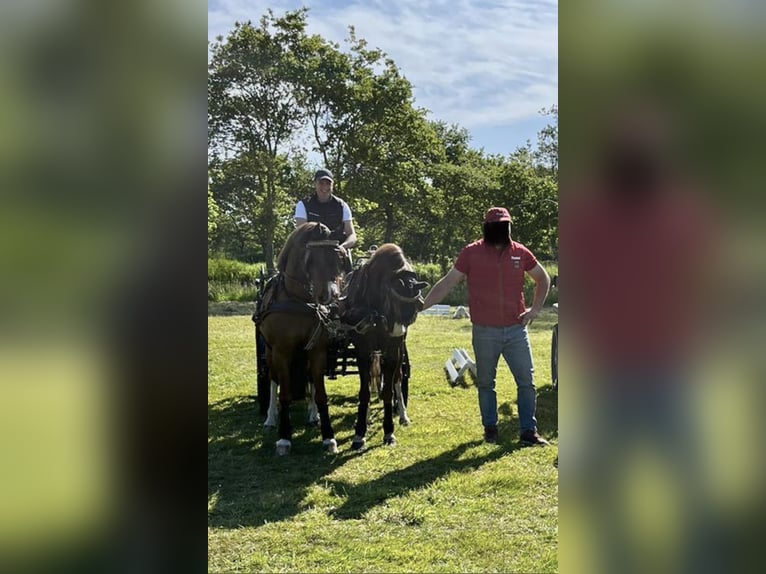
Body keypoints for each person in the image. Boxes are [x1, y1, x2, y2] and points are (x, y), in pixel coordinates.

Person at [422, 207, 551, 445]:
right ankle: (490, 429)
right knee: (486, 383)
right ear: (487, 228)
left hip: (516, 330)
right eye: (495, 225)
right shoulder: (471, 253)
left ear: (509, 227)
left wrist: (535, 310)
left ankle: (528, 432)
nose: (500, 229)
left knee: (526, 381)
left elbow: (543, 278)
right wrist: (422, 304)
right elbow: (447, 283)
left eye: (504, 225)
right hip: (484, 331)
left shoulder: (520, 252)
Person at [295, 169, 357, 271]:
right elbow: (300, 232)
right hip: (311, 251)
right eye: (321, 183)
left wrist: (343, 247)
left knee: (351, 277)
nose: (324, 187)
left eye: (328, 183)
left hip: (336, 251)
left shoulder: (342, 206)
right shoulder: (303, 205)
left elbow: (352, 235)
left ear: (332, 185)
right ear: (315, 184)